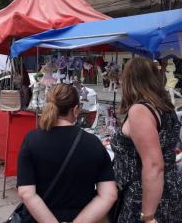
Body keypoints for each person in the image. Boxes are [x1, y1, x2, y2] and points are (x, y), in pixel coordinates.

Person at [17, 83, 117, 223]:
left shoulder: (31, 140)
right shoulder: (93, 143)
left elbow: (26, 193)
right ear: (75, 109)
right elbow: (109, 195)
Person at [111, 57, 182, 222]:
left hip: (144, 195)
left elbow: (154, 165)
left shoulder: (140, 110)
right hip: (168, 188)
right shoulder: (164, 106)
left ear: (130, 80)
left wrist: (148, 216)